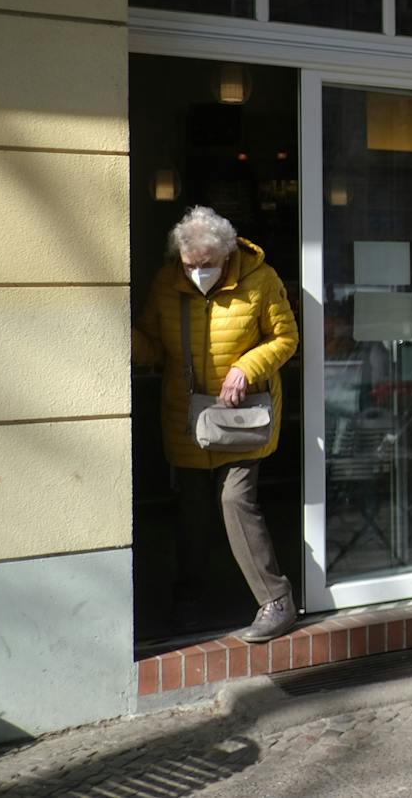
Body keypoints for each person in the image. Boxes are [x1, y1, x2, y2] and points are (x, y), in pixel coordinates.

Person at [132, 206, 300, 643]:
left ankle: (276, 600)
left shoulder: (261, 281)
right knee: (191, 511)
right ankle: (189, 597)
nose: (198, 273)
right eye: (190, 265)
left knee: (235, 501)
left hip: (243, 416)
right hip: (187, 417)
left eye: (207, 265)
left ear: (226, 256)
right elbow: (151, 345)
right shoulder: (166, 283)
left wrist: (247, 366)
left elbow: (286, 338)